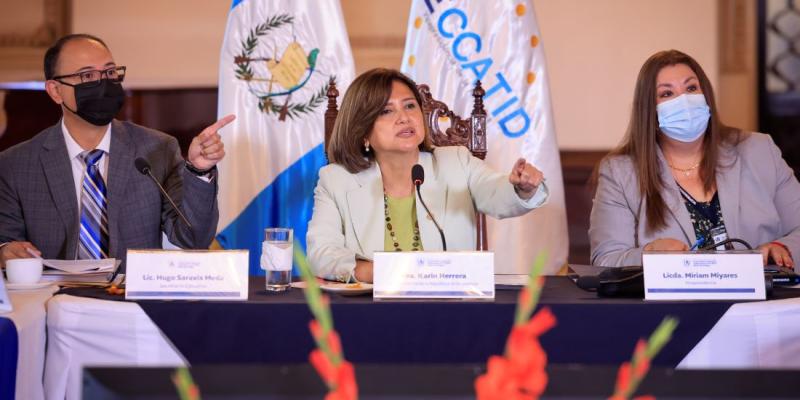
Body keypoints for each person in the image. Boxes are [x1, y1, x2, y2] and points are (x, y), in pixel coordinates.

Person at [0, 33, 235, 268]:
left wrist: (199, 171)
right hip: (53, 298)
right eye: (88, 75)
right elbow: (5, 242)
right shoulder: (15, 165)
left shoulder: (157, 149)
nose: (103, 83)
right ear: (55, 90)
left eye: (110, 72)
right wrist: (5, 251)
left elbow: (194, 239)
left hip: (129, 300)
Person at [307, 68, 549, 283]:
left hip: (448, 309)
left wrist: (521, 187)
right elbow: (321, 253)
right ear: (363, 133)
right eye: (386, 111)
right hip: (371, 312)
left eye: (410, 105)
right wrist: (375, 272)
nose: (404, 117)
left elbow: (495, 191)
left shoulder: (456, 162)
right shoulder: (336, 179)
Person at [589, 50, 800, 269]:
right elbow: (606, 259)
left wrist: (783, 247)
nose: (684, 101)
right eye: (667, 94)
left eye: (691, 88)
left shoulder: (758, 150)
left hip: (758, 300)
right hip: (674, 303)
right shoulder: (620, 172)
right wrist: (648, 253)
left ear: (705, 94)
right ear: (649, 109)